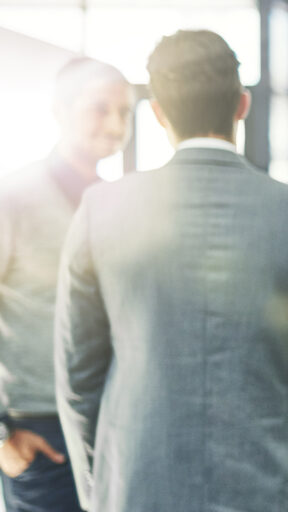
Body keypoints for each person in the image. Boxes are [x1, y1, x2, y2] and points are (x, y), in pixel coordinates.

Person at [52, 30, 288, 512]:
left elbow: (78, 375)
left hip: (136, 484)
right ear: (242, 105)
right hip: (269, 486)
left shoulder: (101, 211)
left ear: (158, 114)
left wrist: (101, 485)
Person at [0, 56, 132, 512]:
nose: (115, 124)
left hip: (113, 424)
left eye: (125, 112)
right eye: (100, 108)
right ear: (59, 110)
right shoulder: (12, 198)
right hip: (39, 429)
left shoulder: (120, 206)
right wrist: (1, 436)